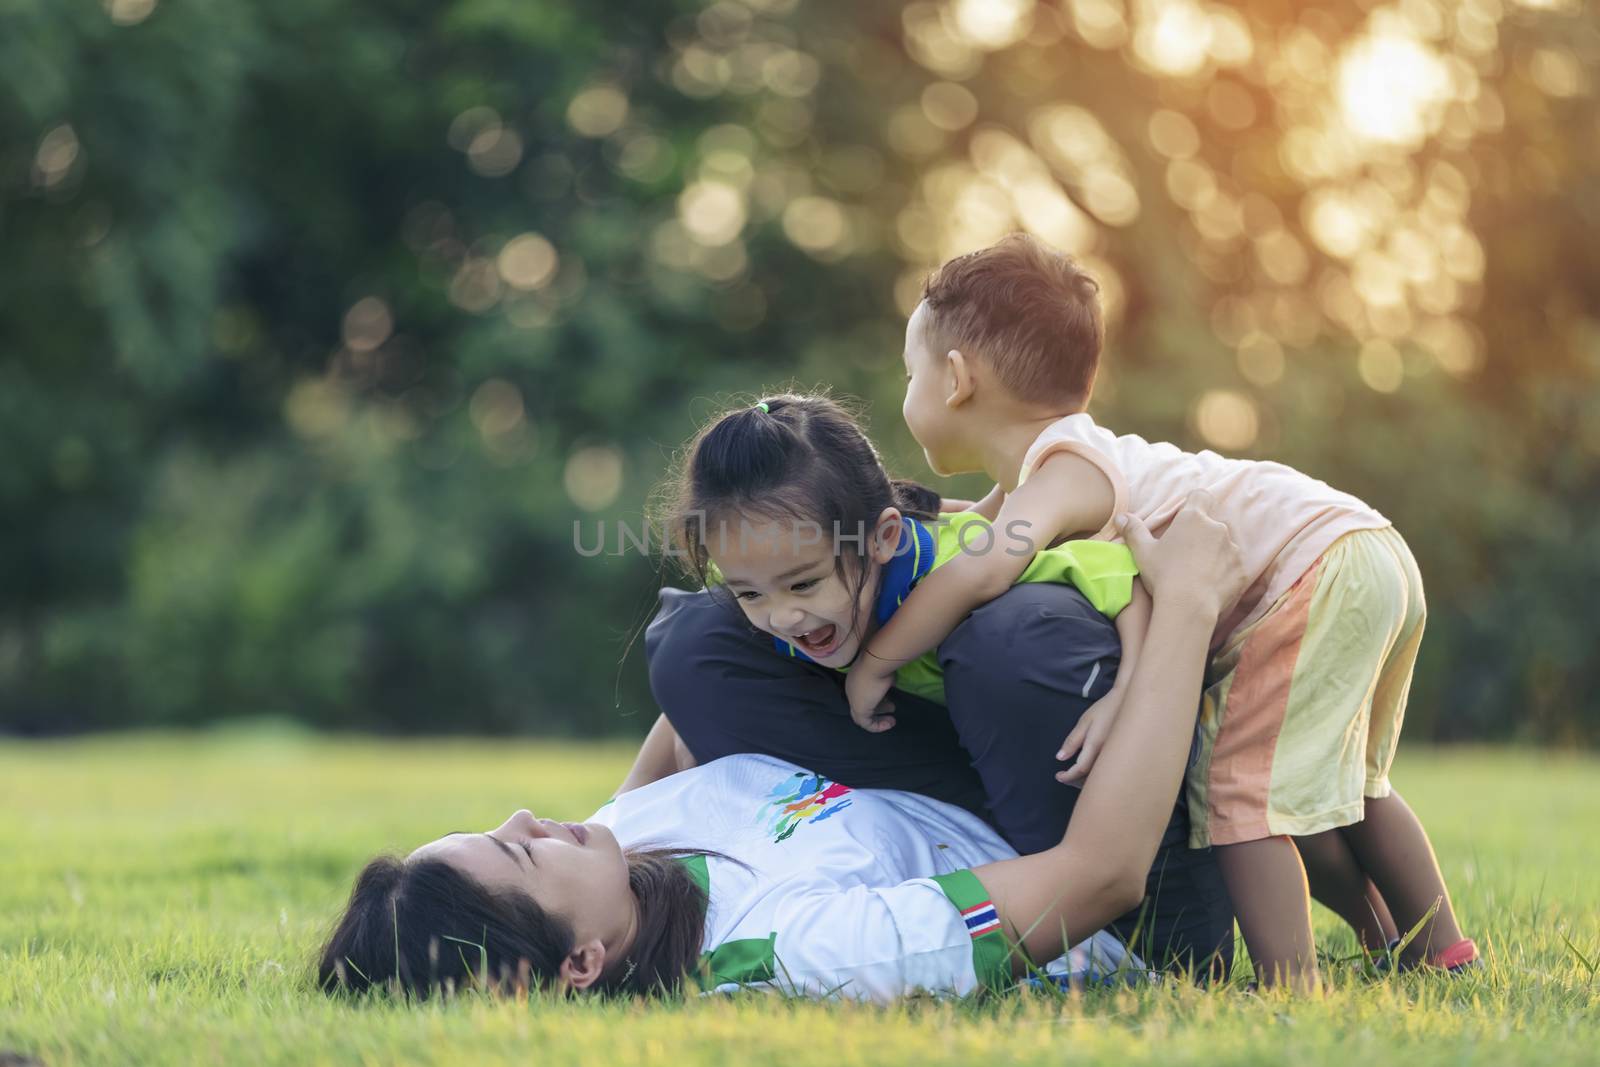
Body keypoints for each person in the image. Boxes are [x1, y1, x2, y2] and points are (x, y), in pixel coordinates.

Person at [842, 233, 1476, 990]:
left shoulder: (1063, 470)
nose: (906, 389)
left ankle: (1289, 987)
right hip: (1363, 549)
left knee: (1240, 790)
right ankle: (1436, 950)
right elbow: (968, 535)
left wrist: (876, 660)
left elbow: (979, 570)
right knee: (1357, 786)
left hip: (1307, 569)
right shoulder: (1046, 475)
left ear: (954, 379)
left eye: (908, 372)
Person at [318, 498, 1248, 1001]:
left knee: (690, 645)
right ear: (580, 963)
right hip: (1111, 882)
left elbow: (697, 703)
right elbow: (1101, 875)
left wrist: (923, 562)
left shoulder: (619, 847)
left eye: (499, 826)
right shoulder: (800, 950)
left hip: (953, 788)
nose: (528, 816)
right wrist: (1186, 609)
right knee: (1016, 643)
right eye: (518, 849)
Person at [638, 392, 1233, 979]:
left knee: (1008, 638)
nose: (782, 616)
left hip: (1058, 762)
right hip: (954, 783)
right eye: (750, 593)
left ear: (884, 537)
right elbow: (699, 688)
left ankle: (1131, 924)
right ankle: (979, 870)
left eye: (804, 585)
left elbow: (1119, 577)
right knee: (688, 640)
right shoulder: (780, 604)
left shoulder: (965, 557)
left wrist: (1126, 693)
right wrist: (619, 824)